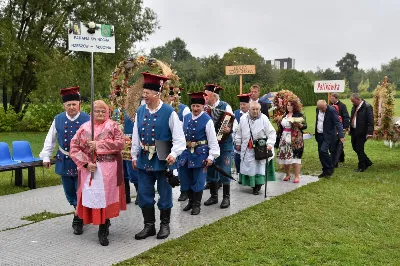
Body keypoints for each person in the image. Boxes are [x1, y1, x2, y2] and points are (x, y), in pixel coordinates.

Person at [131, 72, 186, 240]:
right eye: (144, 92)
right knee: (145, 193)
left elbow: (179, 139)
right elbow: (136, 135)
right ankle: (149, 226)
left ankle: (164, 225)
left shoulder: (169, 112)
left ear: (157, 93)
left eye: (147, 93)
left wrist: (174, 153)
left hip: (163, 159)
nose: (144, 95)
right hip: (144, 158)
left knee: (165, 193)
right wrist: (134, 155)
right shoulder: (140, 111)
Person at [70, 100, 127, 246]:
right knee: (93, 196)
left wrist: (99, 145)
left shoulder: (113, 126)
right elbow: (74, 147)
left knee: (106, 197)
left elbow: (120, 143)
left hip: (109, 169)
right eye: (97, 111)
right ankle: (86, 220)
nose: (100, 113)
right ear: (92, 112)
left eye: (103, 111)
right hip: (90, 169)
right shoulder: (84, 128)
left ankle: (104, 227)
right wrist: (85, 163)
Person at [39, 86, 90, 235]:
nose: (72, 107)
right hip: (64, 159)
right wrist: (46, 156)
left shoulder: (87, 119)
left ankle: (78, 217)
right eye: (69, 105)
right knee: (69, 190)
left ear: (79, 104)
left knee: (81, 189)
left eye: (74, 104)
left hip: (82, 160)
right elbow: (50, 140)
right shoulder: (58, 119)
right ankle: (78, 211)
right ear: (64, 106)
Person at [178, 92, 220, 215]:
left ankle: (197, 205)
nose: (195, 109)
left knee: (199, 180)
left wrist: (211, 156)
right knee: (185, 178)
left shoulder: (207, 120)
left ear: (203, 106)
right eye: (193, 106)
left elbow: (212, 140)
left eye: (198, 106)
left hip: (200, 154)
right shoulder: (186, 117)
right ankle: (191, 201)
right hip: (186, 153)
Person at [203, 84, 234, 208]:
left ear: (213, 96)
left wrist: (229, 128)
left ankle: (226, 197)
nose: (204, 97)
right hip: (210, 144)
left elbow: (233, 122)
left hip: (224, 143)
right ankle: (214, 196)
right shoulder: (205, 109)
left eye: (206, 94)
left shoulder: (225, 106)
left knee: (225, 168)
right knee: (211, 168)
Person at [235, 102, 276, 195]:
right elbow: (239, 132)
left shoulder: (264, 118)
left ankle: (257, 186)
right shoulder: (243, 119)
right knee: (249, 167)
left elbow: (272, 132)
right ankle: (252, 184)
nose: (255, 111)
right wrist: (238, 142)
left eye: (257, 109)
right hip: (247, 148)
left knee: (259, 167)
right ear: (249, 109)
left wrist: (270, 144)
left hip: (259, 149)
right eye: (253, 109)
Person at [276, 99, 307, 183]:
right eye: (288, 105)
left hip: (295, 138)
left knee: (295, 157)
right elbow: (281, 127)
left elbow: (305, 126)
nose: (289, 107)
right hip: (284, 137)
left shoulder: (299, 115)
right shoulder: (285, 115)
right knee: (286, 156)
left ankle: (297, 176)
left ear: (295, 106)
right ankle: (288, 174)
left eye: (291, 105)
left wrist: (299, 125)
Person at [168, 86, 191, 202]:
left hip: (180, 143)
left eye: (173, 95)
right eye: (170, 95)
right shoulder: (165, 109)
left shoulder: (185, 109)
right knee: (168, 168)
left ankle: (184, 191)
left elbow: (187, 127)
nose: (171, 98)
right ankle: (167, 190)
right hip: (168, 143)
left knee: (182, 168)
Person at [314, 100, 344, 178]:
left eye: (323, 108)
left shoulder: (332, 110)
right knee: (321, 154)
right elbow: (319, 121)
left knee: (323, 150)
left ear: (326, 105)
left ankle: (330, 167)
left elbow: (338, 123)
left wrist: (341, 136)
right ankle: (325, 170)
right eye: (320, 109)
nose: (322, 110)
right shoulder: (317, 110)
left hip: (328, 135)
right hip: (319, 135)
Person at [349, 93, 374, 172]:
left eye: (354, 101)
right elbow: (352, 117)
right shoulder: (354, 107)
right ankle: (367, 161)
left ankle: (362, 166)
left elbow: (370, 120)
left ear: (359, 99)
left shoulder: (367, 106)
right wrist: (350, 127)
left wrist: (370, 132)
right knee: (354, 147)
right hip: (354, 130)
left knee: (359, 149)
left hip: (362, 131)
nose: (353, 102)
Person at [123, 110, 139, 204]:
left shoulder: (137, 109)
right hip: (120, 143)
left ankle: (139, 193)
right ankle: (126, 195)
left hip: (132, 142)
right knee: (122, 171)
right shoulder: (116, 108)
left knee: (132, 171)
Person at [233, 93, 251, 174]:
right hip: (239, 141)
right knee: (238, 159)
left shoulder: (252, 113)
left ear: (248, 104)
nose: (242, 106)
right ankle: (239, 175)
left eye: (244, 104)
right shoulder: (236, 113)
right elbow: (234, 128)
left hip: (250, 142)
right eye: (241, 104)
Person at [330, 93, 350, 165]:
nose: (330, 99)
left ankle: (337, 158)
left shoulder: (342, 106)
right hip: (333, 127)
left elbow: (346, 116)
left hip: (341, 127)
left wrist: (345, 127)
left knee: (339, 142)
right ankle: (341, 157)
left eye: (332, 98)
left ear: (336, 98)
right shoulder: (330, 106)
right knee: (336, 143)